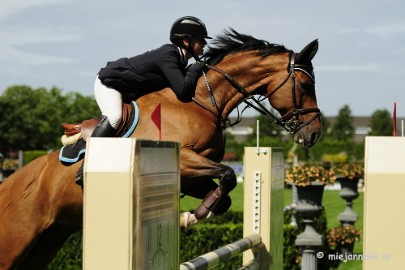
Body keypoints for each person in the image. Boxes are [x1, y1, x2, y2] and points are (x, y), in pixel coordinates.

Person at [75, 16, 211, 184]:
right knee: (115, 117)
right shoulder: (169, 54)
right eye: (201, 40)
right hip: (109, 83)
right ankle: (86, 166)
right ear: (186, 41)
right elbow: (183, 91)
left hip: (129, 90)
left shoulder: (180, 59)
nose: (204, 44)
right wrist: (194, 70)